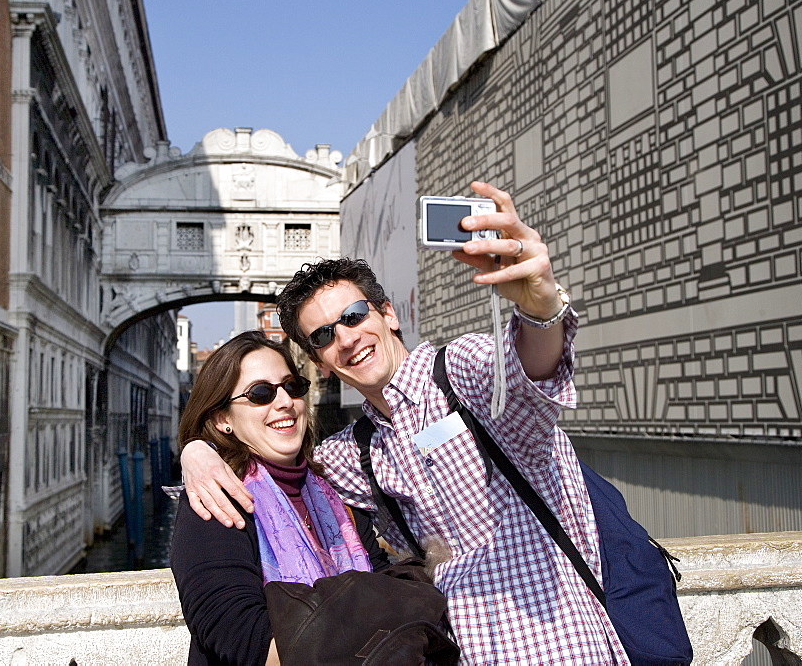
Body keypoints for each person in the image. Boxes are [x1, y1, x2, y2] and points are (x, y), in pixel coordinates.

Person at [180, 181, 633, 663]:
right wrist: (198, 450)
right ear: (322, 363)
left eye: (354, 315)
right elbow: (280, 460)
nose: (348, 338)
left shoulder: (462, 373)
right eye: (325, 335)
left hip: (558, 647)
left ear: (389, 314)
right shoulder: (351, 456)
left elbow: (527, 370)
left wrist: (540, 307)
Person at [169, 330, 390, 665]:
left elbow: (382, 579)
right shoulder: (216, 501)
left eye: (292, 386)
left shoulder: (335, 491)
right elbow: (241, 638)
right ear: (222, 419)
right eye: (260, 394)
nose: (284, 402)